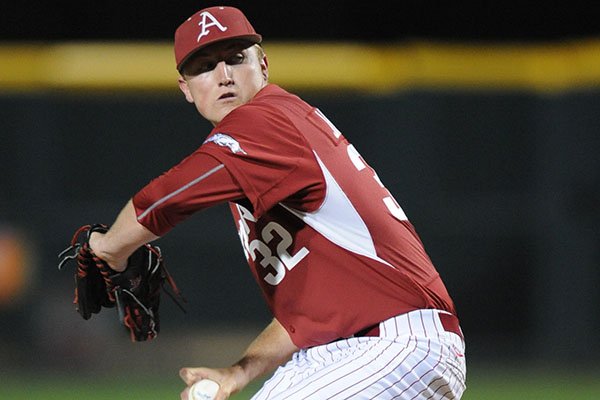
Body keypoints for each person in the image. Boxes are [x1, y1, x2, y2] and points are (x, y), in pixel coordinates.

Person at [87, 5, 467, 400]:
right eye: (204, 67)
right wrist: (239, 371)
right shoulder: (255, 162)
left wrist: (107, 247)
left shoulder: (267, 121)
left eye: (236, 59)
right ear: (185, 88)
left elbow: (167, 197)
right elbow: (308, 315)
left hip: (391, 345)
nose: (224, 76)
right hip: (351, 352)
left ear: (263, 66)